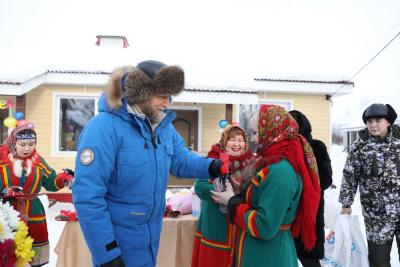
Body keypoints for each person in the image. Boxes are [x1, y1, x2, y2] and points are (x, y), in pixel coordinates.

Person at [72, 60, 227, 267]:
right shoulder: (103, 128)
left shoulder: (161, 126)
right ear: (141, 92)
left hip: (149, 240)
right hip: (117, 244)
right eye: (162, 95)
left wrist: (212, 166)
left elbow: (180, 159)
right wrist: (107, 253)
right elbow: (88, 195)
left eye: (169, 96)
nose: (167, 102)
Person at [211, 104, 321, 267]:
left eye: (256, 132)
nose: (254, 139)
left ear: (272, 132)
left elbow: (265, 226)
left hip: (268, 256)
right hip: (260, 253)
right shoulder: (268, 163)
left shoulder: (279, 172)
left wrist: (232, 202)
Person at [0, 125, 72, 266]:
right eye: (22, 144)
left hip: (34, 212)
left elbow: (51, 182)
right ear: (13, 143)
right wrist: (6, 191)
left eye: (31, 144)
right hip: (7, 213)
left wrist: (63, 178)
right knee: (9, 252)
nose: (27, 148)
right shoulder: (2, 162)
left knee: (34, 254)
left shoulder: (38, 161)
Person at [339, 103, 400, 267]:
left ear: (388, 122)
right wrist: (346, 203)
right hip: (376, 215)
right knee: (378, 261)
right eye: (369, 121)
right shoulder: (360, 147)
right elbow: (349, 176)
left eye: (378, 120)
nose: (373, 125)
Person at [191, 124, 261, 267]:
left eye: (240, 140)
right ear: (224, 141)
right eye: (232, 140)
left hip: (241, 227)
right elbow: (201, 186)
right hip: (216, 227)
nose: (237, 144)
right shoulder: (212, 160)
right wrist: (225, 194)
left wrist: (236, 196)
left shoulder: (252, 164)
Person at [289, 110, 333, 267]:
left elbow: (326, 180)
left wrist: (304, 179)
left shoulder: (316, 147)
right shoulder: (282, 149)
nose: (291, 130)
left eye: (295, 126)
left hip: (310, 214)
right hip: (286, 214)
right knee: (285, 259)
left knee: (309, 260)